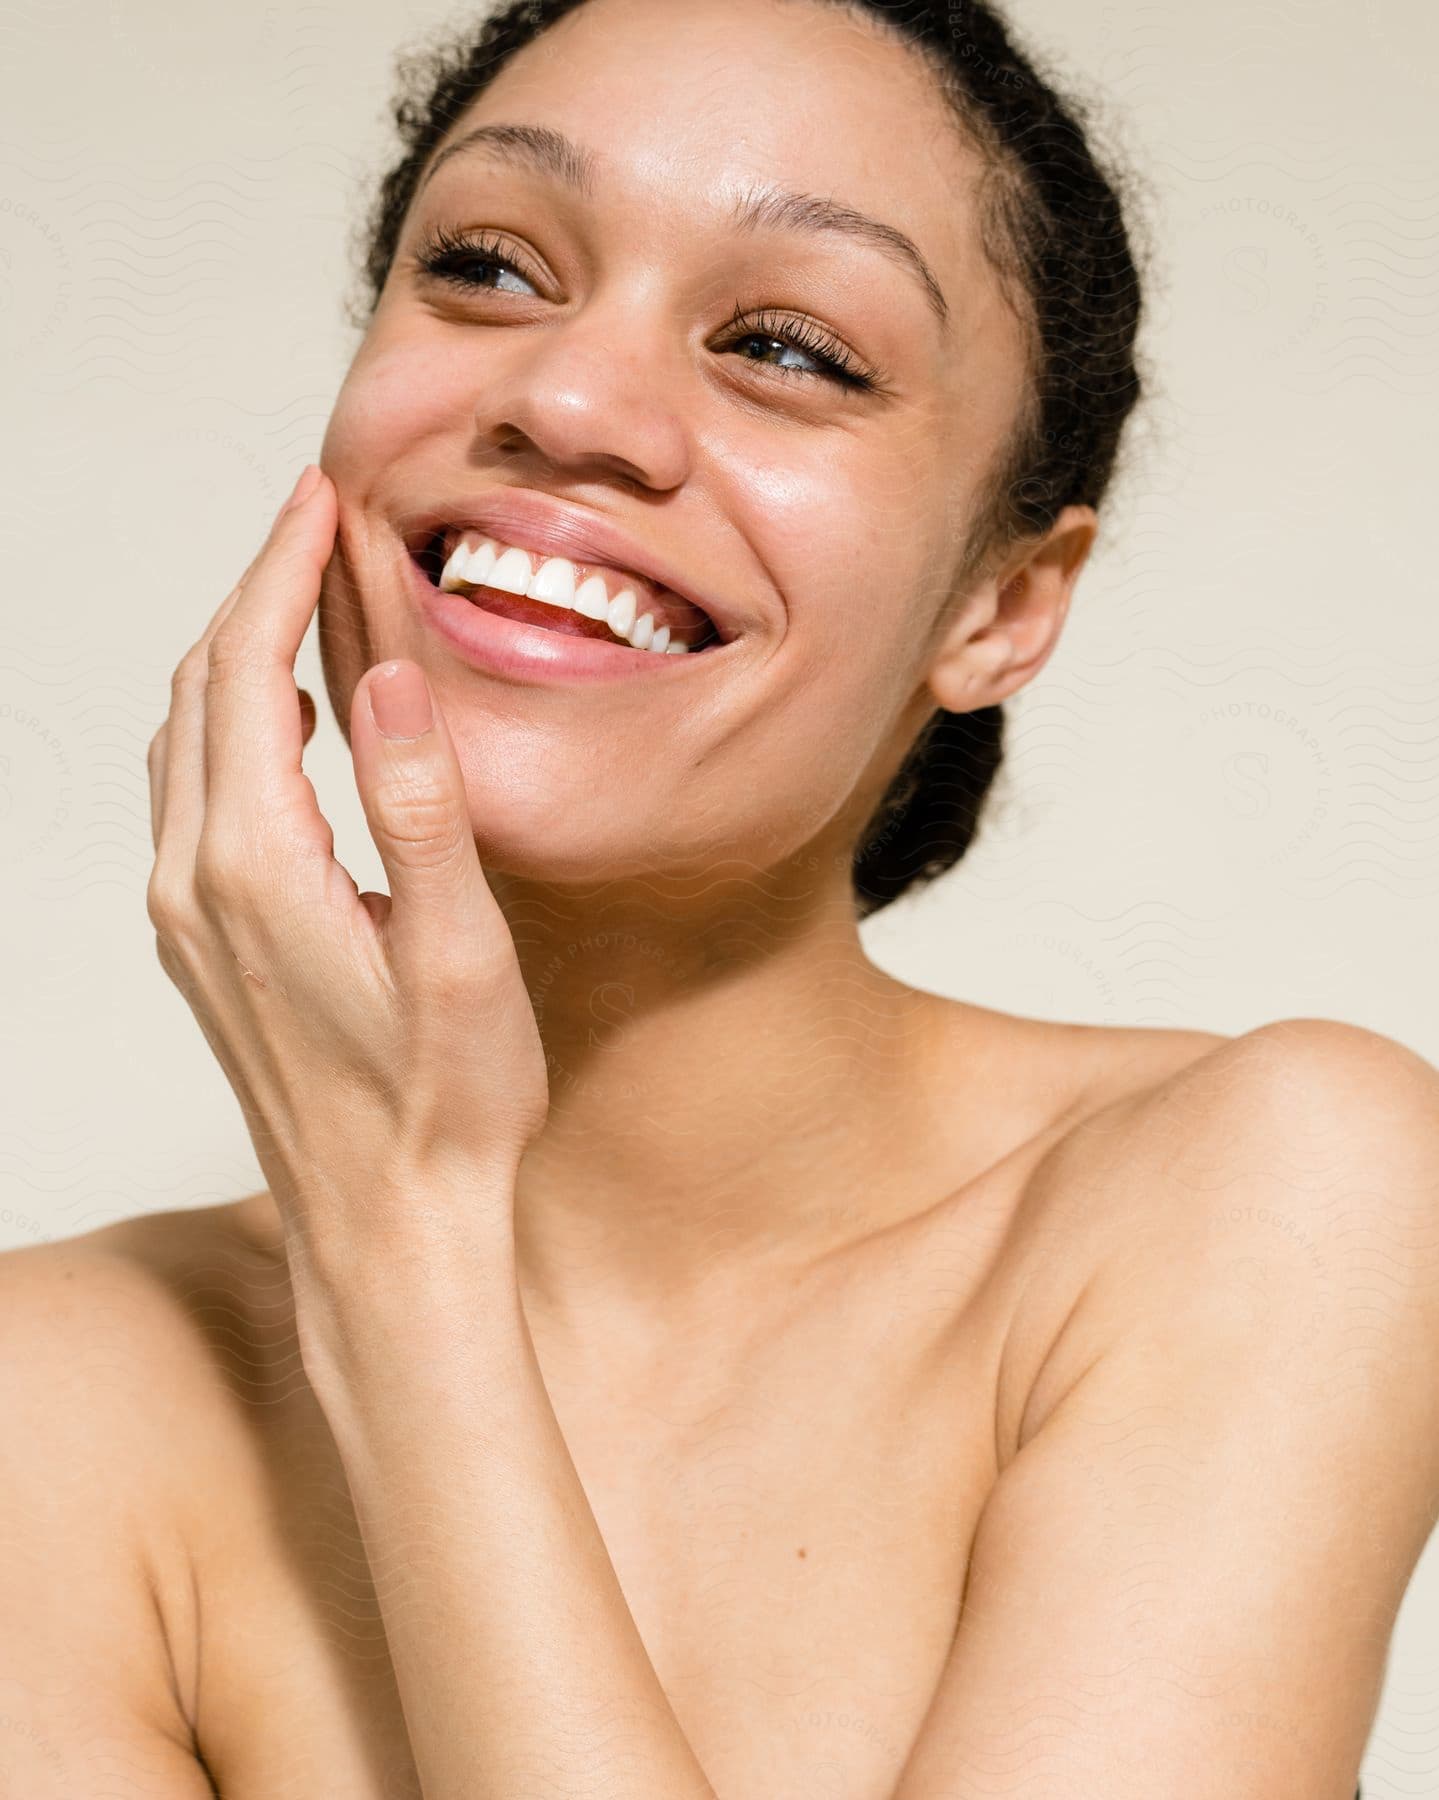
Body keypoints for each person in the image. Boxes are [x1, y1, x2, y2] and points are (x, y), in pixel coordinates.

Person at [1, 0, 1431, 1793]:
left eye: (787, 347)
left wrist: (406, 1249)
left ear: (1002, 603)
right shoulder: (39, 1411)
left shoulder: (1276, 1185)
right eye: (491, 267)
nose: (569, 399)